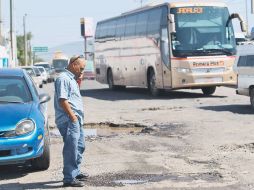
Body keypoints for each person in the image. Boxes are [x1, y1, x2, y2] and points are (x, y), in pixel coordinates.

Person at [54, 55, 88, 187]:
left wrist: (79, 79)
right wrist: (72, 117)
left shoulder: (71, 78)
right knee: (71, 148)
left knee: (80, 146)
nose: (82, 71)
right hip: (69, 119)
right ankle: (69, 178)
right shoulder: (63, 78)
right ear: (74, 65)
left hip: (75, 119)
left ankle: (75, 171)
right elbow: (62, 100)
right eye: (81, 68)